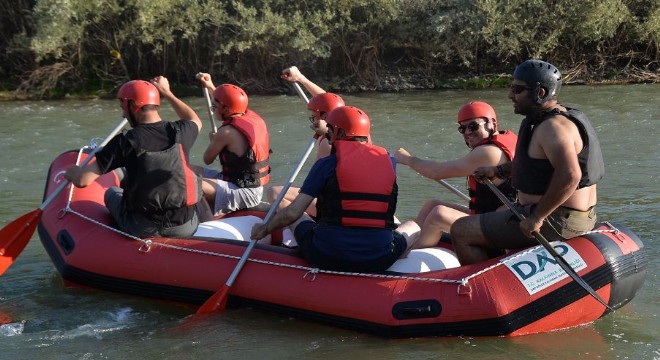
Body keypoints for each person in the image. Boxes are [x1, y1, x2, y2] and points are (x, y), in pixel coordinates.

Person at [450, 59, 604, 265]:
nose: (510, 95)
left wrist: (537, 217)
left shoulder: (552, 128)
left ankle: (481, 290)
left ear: (541, 93)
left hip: (557, 220)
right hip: (574, 216)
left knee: (461, 230)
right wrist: (499, 171)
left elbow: (571, 175)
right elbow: (538, 167)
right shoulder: (560, 117)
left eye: (517, 90)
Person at [251, 106, 416, 272]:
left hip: (327, 255)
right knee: (413, 226)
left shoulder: (327, 164)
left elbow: (293, 212)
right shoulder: (389, 161)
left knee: (297, 216)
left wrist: (264, 229)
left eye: (330, 129)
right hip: (379, 258)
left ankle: (292, 246)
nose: (328, 132)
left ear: (341, 134)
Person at [64, 77, 205, 238]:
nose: (123, 113)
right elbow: (195, 121)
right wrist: (167, 92)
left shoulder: (125, 141)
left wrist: (73, 172)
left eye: (123, 107)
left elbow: (82, 181)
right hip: (186, 226)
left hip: (145, 229)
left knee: (111, 192)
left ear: (132, 106)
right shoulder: (181, 131)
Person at [394, 101, 517, 249]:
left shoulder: (488, 152)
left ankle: (408, 258)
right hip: (493, 216)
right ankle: (408, 242)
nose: (467, 133)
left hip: (498, 225)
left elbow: (436, 172)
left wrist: (408, 159)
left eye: (473, 126)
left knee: (438, 215)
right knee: (432, 205)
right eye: (462, 128)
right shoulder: (508, 139)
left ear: (492, 123)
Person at [266, 67, 345, 217]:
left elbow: (313, 185)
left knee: (275, 193)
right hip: (352, 201)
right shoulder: (350, 125)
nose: (313, 119)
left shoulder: (327, 144)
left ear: (324, 117)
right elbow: (329, 101)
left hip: (335, 208)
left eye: (314, 116)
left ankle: (304, 230)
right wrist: (301, 78)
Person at [195, 73, 271, 217]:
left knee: (193, 185)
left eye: (214, 106)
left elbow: (207, 159)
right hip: (240, 182)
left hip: (243, 192)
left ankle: (206, 223)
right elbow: (230, 101)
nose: (212, 107)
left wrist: (214, 141)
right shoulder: (249, 115)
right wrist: (211, 86)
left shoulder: (226, 133)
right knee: (187, 170)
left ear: (225, 109)